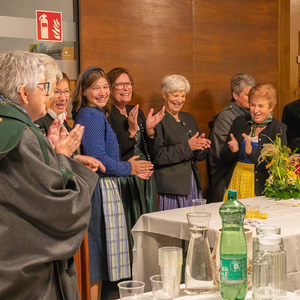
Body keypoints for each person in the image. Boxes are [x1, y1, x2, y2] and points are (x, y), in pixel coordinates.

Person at [0, 50, 101, 299]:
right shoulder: (23, 136)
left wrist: (56, 156)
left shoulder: (8, 127)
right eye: (46, 86)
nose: (50, 94)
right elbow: (60, 210)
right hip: (28, 273)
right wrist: (64, 160)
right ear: (25, 93)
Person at [72, 67, 153, 300]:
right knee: (98, 257)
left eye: (105, 87)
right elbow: (97, 158)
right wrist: (130, 168)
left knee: (105, 257)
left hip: (106, 187)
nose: (102, 92)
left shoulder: (96, 113)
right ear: (84, 92)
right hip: (99, 190)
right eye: (95, 88)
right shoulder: (90, 114)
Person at [34, 54, 99, 300]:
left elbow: (63, 156)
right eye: (54, 90)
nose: (61, 97)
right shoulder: (38, 122)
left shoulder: (61, 121)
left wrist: (77, 159)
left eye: (65, 92)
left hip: (72, 197)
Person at [106, 67, 164, 255]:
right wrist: (131, 131)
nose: (126, 88)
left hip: (145, 178)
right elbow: (114, 152)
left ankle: (148, 263)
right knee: (130, 226)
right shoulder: (107, 115)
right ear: (110, 88)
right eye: (120, 84)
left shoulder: (136, 111)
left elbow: (151, 150)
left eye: (129, 84)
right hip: (126, 178)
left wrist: (149, 131)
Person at [150, 74, 210, 210]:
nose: (179, 100)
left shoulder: (189, 118)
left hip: (192, 185)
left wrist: (201, 146)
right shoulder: (156, 120)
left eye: (183, 96)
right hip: (171, 190)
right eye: (175, 95)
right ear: (164, 94)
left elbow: (200, 156)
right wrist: (188, 146)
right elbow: (157, 157)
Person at [220, 83, 287, 201]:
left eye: (261, 106)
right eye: (252, 105)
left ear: (271, 107)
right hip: (236, 181)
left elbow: (278, 166)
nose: (256, 110)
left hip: (261, 188)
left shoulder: (278, 128)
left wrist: (252, 152)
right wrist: (233, 151)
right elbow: (223, 158)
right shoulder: (239, 122)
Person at [208, 73, 257, 202]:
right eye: (247, 94)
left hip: (249, 176)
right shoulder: (226, 116)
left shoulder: (255, 115)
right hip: (226, 178)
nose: (252, 98)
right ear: (235, 95)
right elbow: (219, 154)